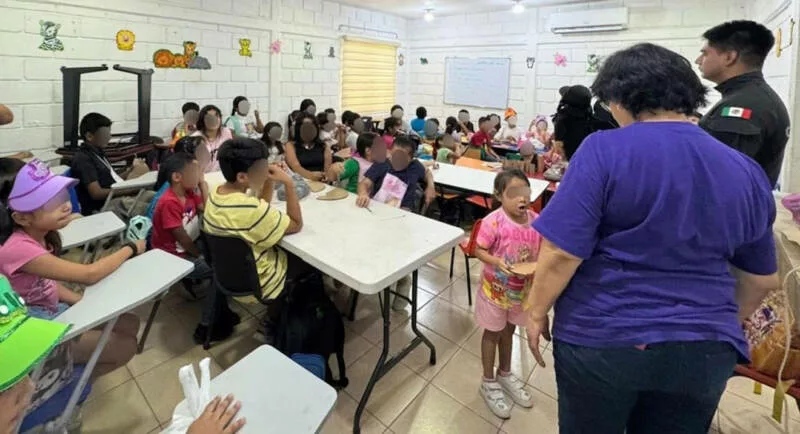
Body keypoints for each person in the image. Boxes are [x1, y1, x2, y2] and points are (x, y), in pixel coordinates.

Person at [526, 43, 778, 433]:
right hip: (705, 347)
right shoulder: (745, 169)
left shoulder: (603, 149)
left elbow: (561, 251)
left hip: (606, 334)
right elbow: (761, 279)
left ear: (620, 99)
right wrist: (712, 323)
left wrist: (535, 311)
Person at [0, 160, 144, 378]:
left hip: (49, 309)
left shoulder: (38, 234)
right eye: (50, 202)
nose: (66, 206)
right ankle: (64, 382)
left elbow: (45, 284)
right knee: (125, 347)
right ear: (21, 217)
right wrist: (130, 248)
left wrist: (79, 302)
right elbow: (89, 274)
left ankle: (67, 370)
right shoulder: (15, 247)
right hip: (33, 326)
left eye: (62, 196)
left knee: (129, 321)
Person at [201, 138, 305, 342]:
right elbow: (295, 223)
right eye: (262, 169)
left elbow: (259, 208)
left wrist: (269, 181)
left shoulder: (216, 194)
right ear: (242, 177)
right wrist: (289, 184)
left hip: (227, 276)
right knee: (307, 262)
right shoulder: (250, 209)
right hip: (258, 281)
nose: (266, 172)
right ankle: (275, 317)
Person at [473, 169, 539, 419]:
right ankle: (488, 381)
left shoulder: (536, 220)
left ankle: (505, 372)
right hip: (495, 291)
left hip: (519, 293)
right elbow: (478, 250)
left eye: (525, 192)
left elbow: (542, 250)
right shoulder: (493, 222)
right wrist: (497, 261)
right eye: (514, 193)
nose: (522, 198)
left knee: (509, 331)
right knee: (493, 332)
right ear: (499, 196)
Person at [697, 20, 789, 188]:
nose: (698, 60)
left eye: (705, 54)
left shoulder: (740, 106)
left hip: (732, 204)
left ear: (729, 57)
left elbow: (719, 177)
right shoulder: (753, 96)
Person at [356, 135, 435, 310]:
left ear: (411, 158)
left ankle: (403, 281)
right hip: (378, 214)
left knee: (399, 254)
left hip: (404, 217)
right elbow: (364, 184)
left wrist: (431, 186)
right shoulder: (382, 164)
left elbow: (427, 173)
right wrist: (363, 193)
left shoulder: (415, 167)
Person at [70, 112, 151, 216]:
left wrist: (130, 170)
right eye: (105, 134)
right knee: (154, 207)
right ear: (89, 136)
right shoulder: (83, 159)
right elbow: (96, 193)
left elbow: (112, 178)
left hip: (114, 199)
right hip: (101, 207)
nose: (109, 137)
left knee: (153, 196)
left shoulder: (98, 152)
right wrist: (130, 190)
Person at [151, 153, 212, 281]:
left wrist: (203, 186)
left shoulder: (189, 193)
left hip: (189, 244)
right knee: (216, 268)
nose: (199, 176)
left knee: (220, 253)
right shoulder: (169, 202)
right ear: (177, 177)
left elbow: (208, 212)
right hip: (173, 256)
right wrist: (199, 255)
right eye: (194, 172)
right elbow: (182, 238)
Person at [552, 85, 595, 160]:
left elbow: (559, 148)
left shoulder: (563, 119)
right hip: (588, 159)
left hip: (571, 161)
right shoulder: (591, 119)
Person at [285, 113, 331, 182]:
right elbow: (295, 167)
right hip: (301, 181)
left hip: (321, 181)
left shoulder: (324, 145)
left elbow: (327, 168)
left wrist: (325, 177)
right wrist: (311, 175)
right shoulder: (290, 145)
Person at [192, 105, 233, 173]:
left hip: (221, 174)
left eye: (216, 116)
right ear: (202, 121)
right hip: (203, 175)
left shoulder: (226, 132)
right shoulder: (195, 137)